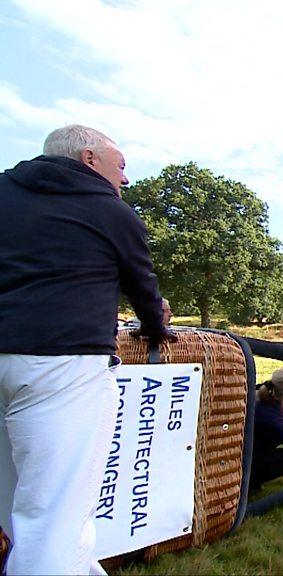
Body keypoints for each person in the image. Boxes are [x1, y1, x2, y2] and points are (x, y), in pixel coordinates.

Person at [0, 125, 172, 574]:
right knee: (53, 518)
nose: (127, 179)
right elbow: (143, 287)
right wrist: (157, 326)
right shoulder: (111, 212)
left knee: (17, 504)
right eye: (122, 166)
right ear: (90, 158)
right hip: (60, 366)